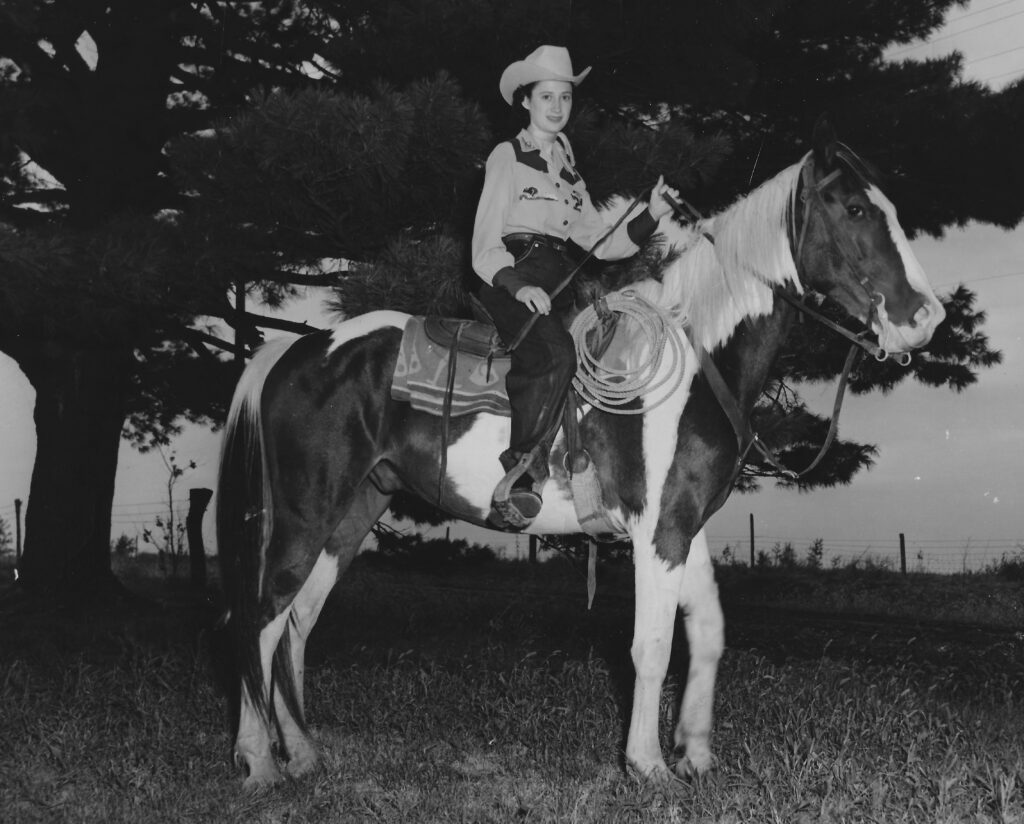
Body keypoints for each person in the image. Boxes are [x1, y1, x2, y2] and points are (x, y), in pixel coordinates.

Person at [471, 44, 680, 527]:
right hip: (510, 276)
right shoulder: (508, 155)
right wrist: (517, 286)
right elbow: (484, 243)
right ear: (526, 100)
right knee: (556, 354)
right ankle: (520, 476)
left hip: (556, 284)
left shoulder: (567, 170)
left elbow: (600, 244)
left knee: (603, 364)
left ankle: (593, 480)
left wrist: (652, 214)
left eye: (565, 97)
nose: (557, 106)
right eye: (546, 96)